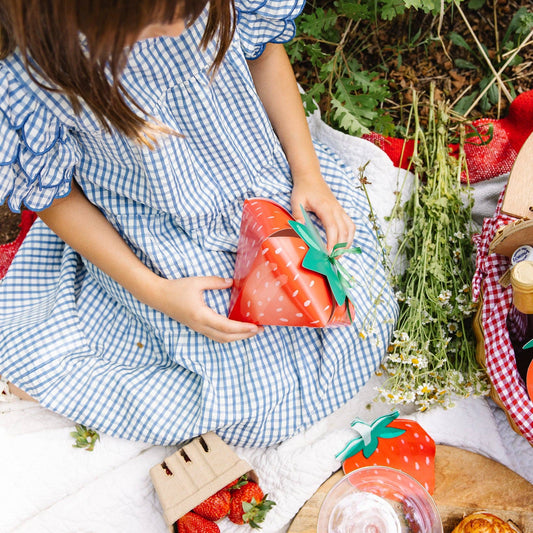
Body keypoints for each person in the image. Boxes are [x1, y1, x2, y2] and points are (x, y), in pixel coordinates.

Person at [0, 0, 397, 447]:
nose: (179, 24)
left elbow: (263, 53)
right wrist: (157, 293)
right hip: (159, 224)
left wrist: (307, 174)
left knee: (357, 309)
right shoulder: (32, 78)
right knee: (240, 377)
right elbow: (57, 199)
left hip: (258, 175)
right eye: (159, 17)